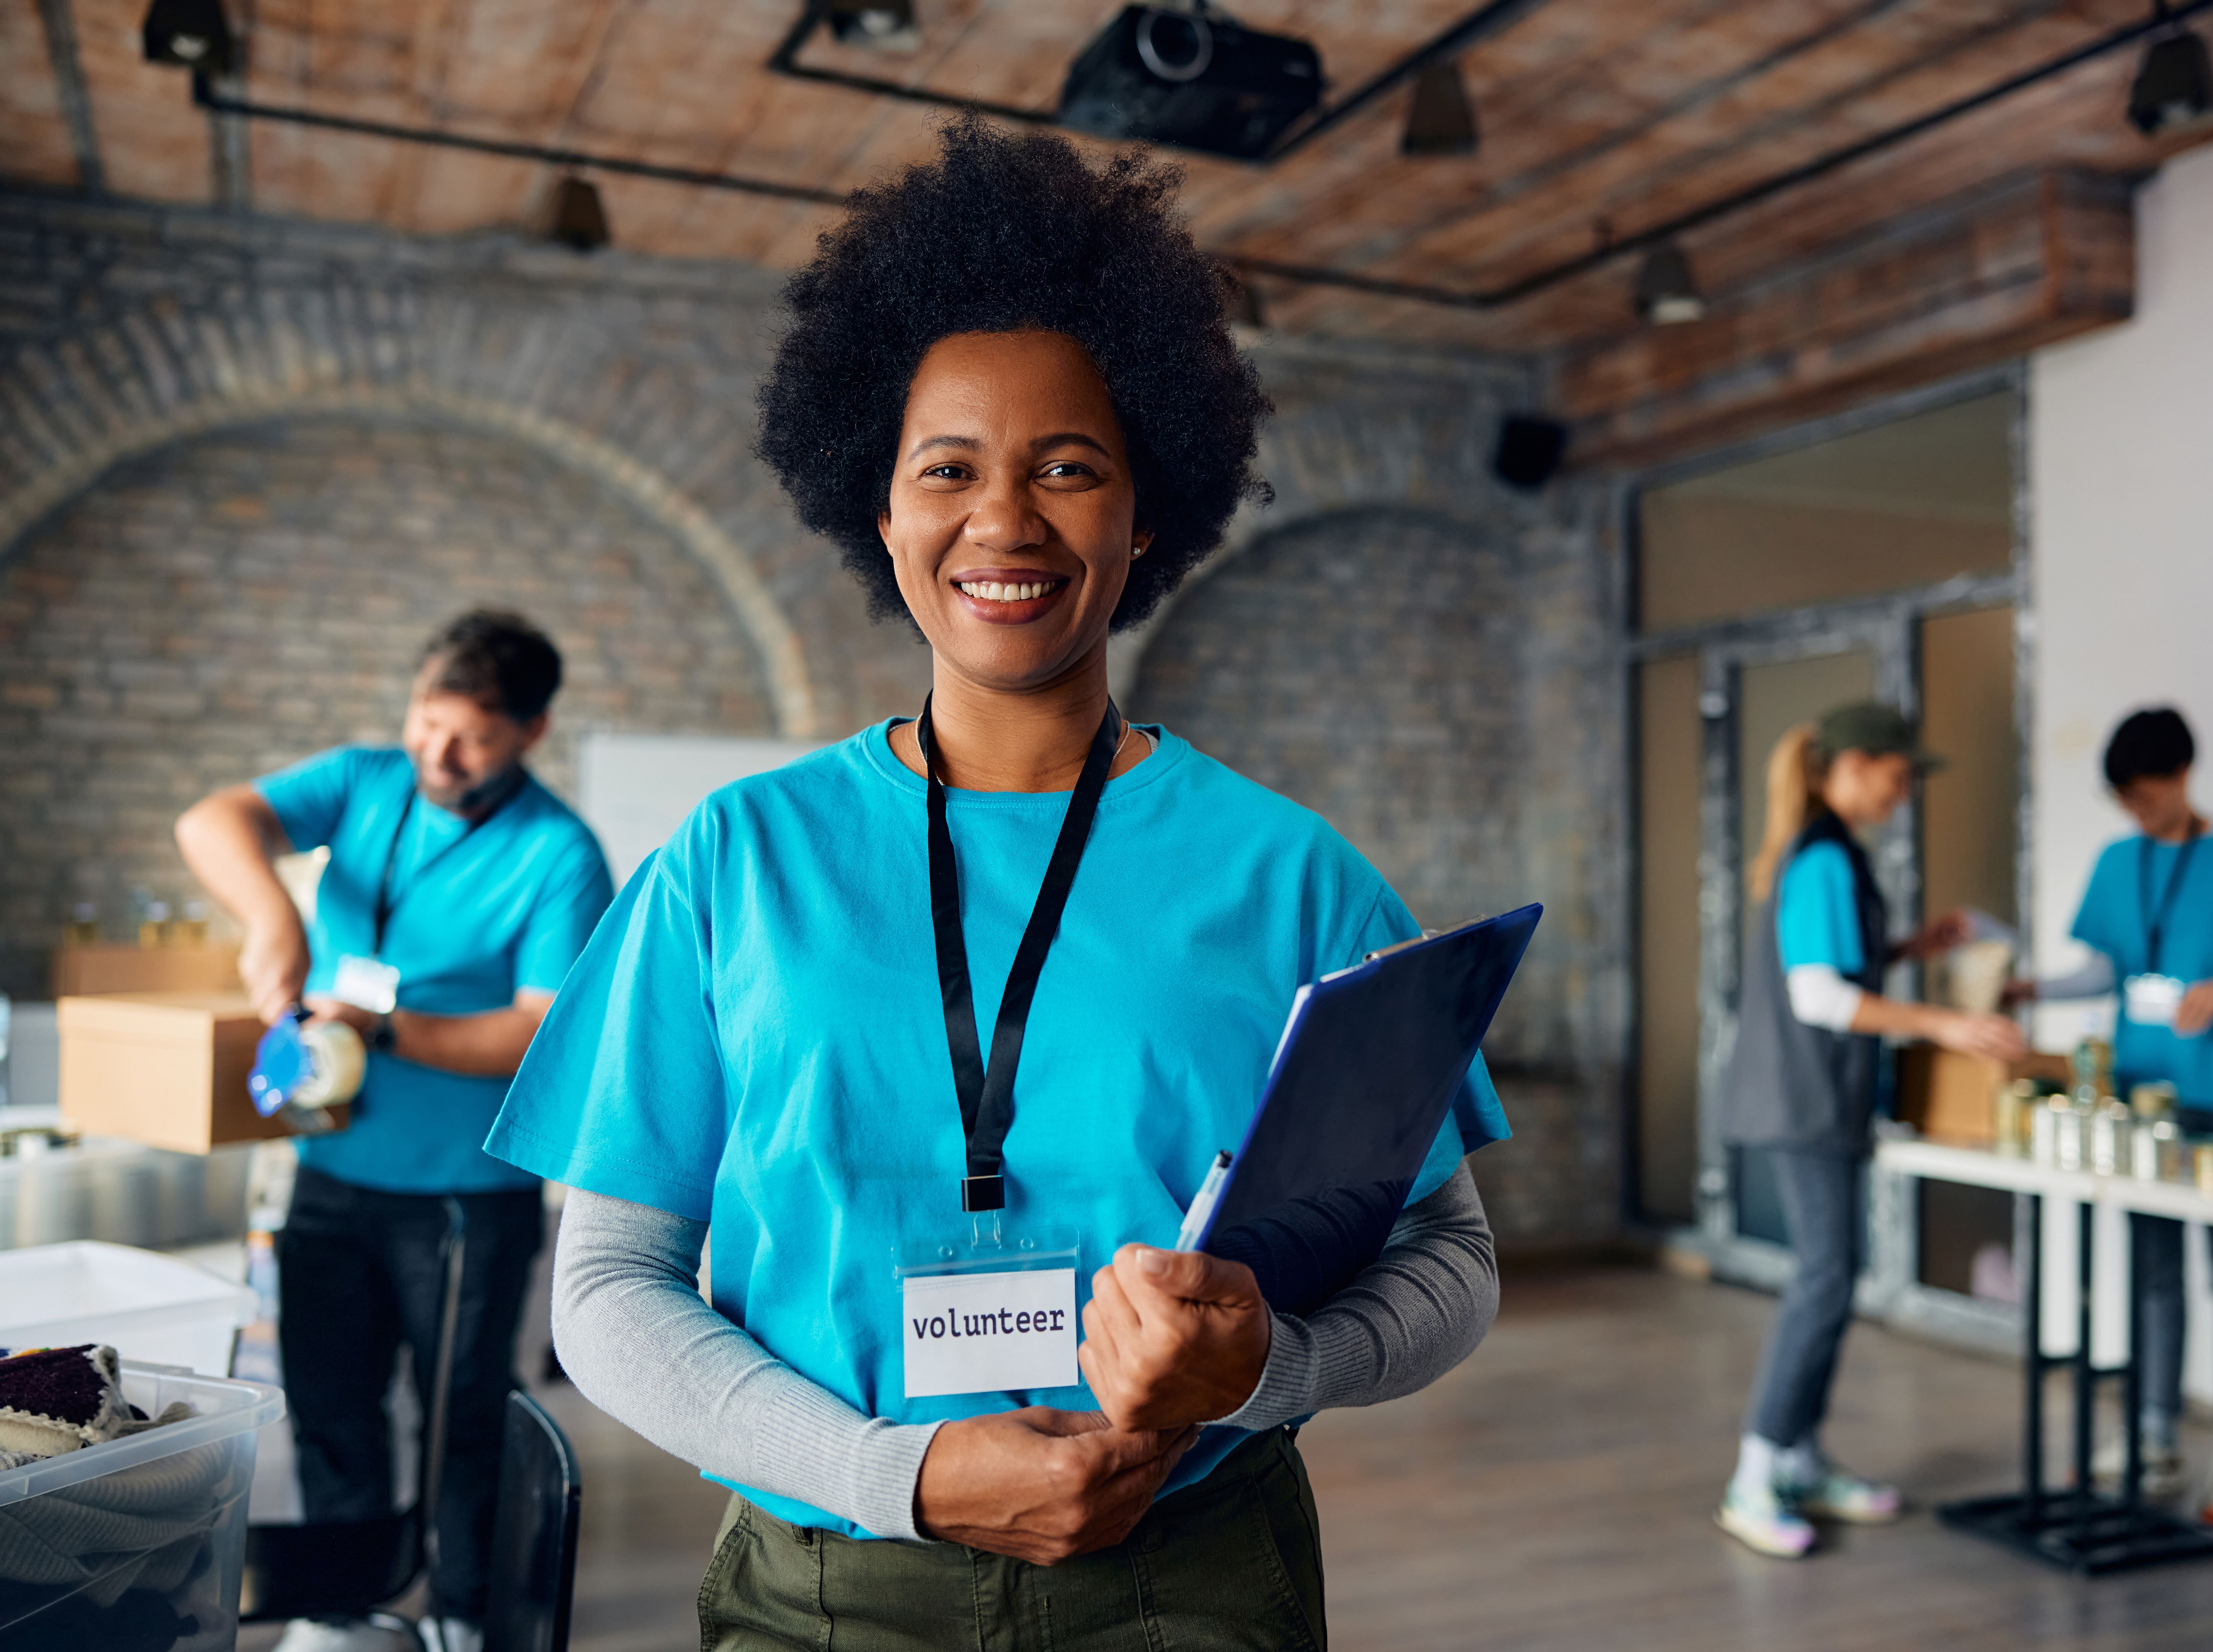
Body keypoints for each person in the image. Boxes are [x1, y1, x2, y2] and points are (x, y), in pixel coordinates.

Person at [483, 117, 1505, 1650]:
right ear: (877, 510)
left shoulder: (1296, 877)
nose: (1004, 520)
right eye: (945, 469)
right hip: (826, 1588)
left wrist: (1272, 1367)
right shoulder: (734, 861)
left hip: (1189, 1579)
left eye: (1069, 468)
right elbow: (609, 1289)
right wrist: (891, 1475)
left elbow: (1451, 1262)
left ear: (1146, 509)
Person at [175, 611, 615, 1652]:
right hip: (329, 1166)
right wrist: (274, 919)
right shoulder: (365, 779)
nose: (436, 752)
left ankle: (463, 1613)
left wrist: (382, 1022)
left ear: (531, 733)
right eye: (426, 721)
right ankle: (343, 1608)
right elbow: (213, 821)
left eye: (469, 737)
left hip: (464, 1194)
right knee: (328, 1401)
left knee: (461, 1419)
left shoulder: (559, 853)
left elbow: (540, 1031)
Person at [1715, 702, 2027, 1559]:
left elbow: (1840, 967)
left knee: (1833, 1277)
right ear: (1851, 766)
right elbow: (1817, 995)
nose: (1903, 793)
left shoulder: (1832, 855)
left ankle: (1800, 1458)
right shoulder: (1819, 856)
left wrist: (1905, 947)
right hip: (1803, 1103)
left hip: (1817, 1102)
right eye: (1896, 776)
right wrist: (1941, 1024)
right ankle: (1752, 1477)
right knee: (1823, 1280)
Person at [2014, 706, 2213, 1530]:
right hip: (2141, 1095)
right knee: (2151, 1269)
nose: (2137, 816)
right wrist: (2027, 990)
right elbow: (2101, 970)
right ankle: (2152, 1434)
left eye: (2145, 798)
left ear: (2181, 776)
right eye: (2126, 804)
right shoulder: (2119, 862)